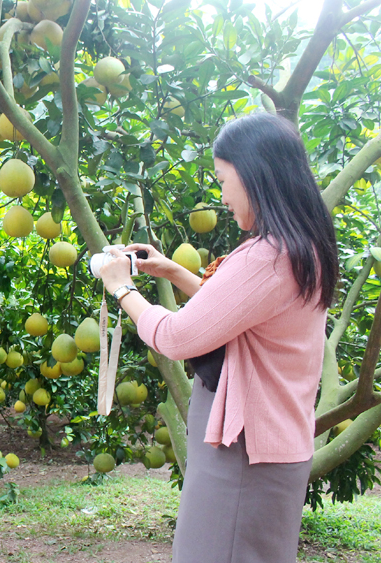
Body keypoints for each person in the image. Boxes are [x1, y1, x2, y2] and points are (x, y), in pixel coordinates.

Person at [99, 112, 338, 563]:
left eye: (224, 179)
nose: (223, 196)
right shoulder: (303, 247)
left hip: (243, 456)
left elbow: (176, 337)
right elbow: (240, 312)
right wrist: (169, 269)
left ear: (254, 176)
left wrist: (121, 288)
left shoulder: (268, 256)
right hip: (270, 444)